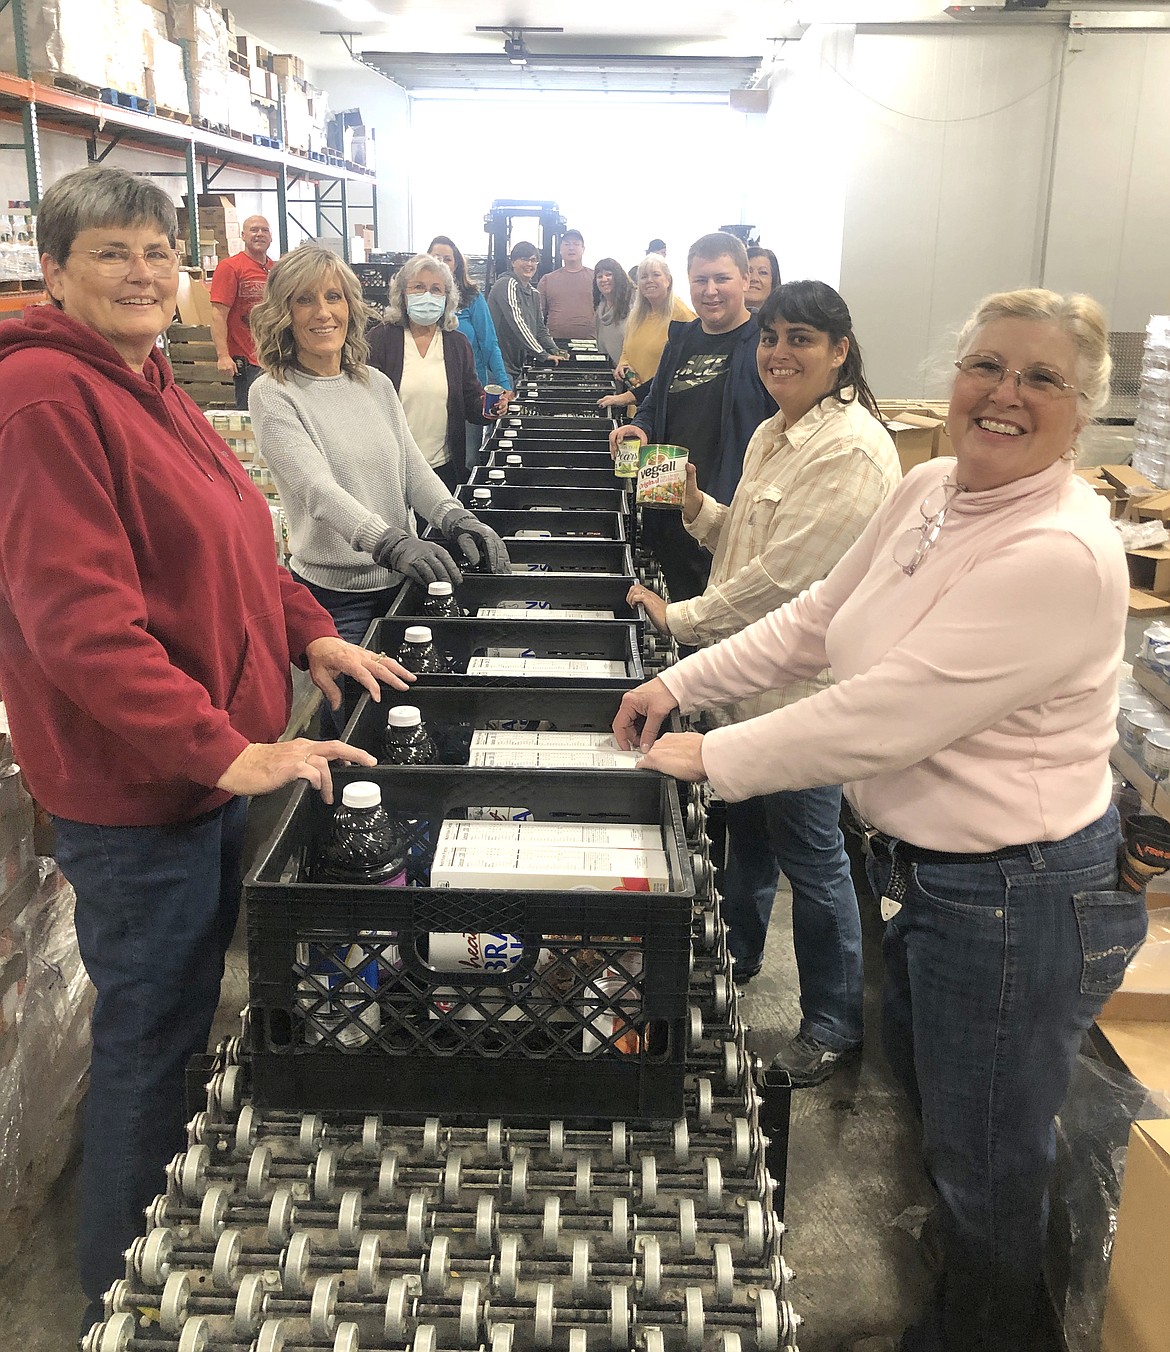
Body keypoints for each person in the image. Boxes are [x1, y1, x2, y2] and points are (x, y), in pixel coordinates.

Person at [613, 288, 1146, 1352]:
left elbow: (883, 713)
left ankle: (985, 1334)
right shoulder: (935, 488)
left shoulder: (1060, 551)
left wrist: (711, 753)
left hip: (1018, 894)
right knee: (954, 1133)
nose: (1003, 394)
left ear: (1084, 407)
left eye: (1040, 377)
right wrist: (683, 680)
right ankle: (964, 1305)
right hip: (936, 875)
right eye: (987, 366)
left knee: (986, 1163)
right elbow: (817, 621)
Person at [0, 166, 406, 1333]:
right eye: (111, 252)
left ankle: (166, 1235)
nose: (142, 272)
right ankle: (116, 1296)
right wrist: (224, 752)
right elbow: (78, 622)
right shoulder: (43, 400)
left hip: (202, 771)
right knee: (152, 1036)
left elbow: (240, 541)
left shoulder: (147, 383)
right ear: (54, 267)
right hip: (140, 793)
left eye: (156, 250)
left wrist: (313, 638)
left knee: (180, 1020)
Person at [627, 281, 901, 1083]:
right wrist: (696, 505)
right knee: (747, 835)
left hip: (801, 692)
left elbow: (788, 583)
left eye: (802, 340)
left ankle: (833, 1021)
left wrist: (681, 621)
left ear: (840, 351)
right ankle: (736, 955)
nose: (779, 353)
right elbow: (745, 544)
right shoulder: (777, 435)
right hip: (747, 681)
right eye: (771, 337)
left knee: (813, 860)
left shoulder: (851, 449)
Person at [249, 244, 510, 735]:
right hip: (335, 598)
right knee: (355, 723)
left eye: (333, 297)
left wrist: (456, 517)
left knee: (416, 716)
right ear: (283, 313)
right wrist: (390, 541)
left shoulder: (372, 383)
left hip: (399, 583)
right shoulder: (274, 393)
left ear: (351, 304)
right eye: (305, 300)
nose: (323, 312)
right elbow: (318, 491)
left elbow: (411, 469)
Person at [609, 232, 776, 605]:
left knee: (725, 632)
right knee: (686, 620)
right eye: (701, 280)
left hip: (727, 520)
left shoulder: (765, 346)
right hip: (669, 511)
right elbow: (655, 401)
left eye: (722, 278)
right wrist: (640, 426)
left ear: (745, 280)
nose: (710, 290)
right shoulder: (681, 340)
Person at [367, 254, 505, 492]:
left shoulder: (457, 344)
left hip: (442, 468)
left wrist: (491, 408)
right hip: (391, 469)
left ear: (447, 298)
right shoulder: (380, 340)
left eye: (436, 289)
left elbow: (471, 401)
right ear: (402, 294)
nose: (427, 295)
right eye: (418, 287)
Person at [428, 234, 511, 472]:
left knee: (467, 460)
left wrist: (504, 384)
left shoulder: (472, 298)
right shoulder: (420, 303)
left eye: (447, 259)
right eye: (436, 258)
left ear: (457, 264)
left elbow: (489, 343)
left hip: (468, 394)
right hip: (431, 394)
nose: (442, 263)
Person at [599, 255, 695, 411]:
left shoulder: (681, 316)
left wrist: (626, 397)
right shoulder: (636, 315)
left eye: (656, 274)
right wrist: (623, 363)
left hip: (667, 408)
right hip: (638, 407)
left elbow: (679, 371)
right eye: (644, 277)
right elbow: (626, 349)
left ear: (668, 280)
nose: (649, 280)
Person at [209, 213, 273, 407]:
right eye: (254, 230)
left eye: (264, 230)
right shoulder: (230, 267)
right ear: (243, 235)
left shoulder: (275, 269)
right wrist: (223, 355)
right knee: (250, 414)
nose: (259, 234)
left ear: (271, 237)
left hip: (272, 358)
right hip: (246, 361)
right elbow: (218, 314)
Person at [488, 241, 564, 384]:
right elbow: (517, 323)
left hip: (517, 368)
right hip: (498, 367)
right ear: (513, 262)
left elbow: (541, 330)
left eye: (533, 260)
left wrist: (556, 351)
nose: (529, 264)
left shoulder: (534, 294)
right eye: (524, 259)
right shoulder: (506, 284)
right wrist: (542, 354)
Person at [538, 227, 595, 341]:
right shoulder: (547, 280)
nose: (571, 248)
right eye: (567, 244)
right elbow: (538, 316)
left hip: (591, 344)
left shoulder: (596, 277)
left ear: (583, 249)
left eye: (576, 244)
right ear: (560, 249)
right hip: (556, 346)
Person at [592, 257, 634, 365]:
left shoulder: (634, 303)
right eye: (599, 276)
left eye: (608, 274)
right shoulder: (600, 310)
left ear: (618, 277)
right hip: (613, 373)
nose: (604, 279)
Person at [746, 246, 780, 312]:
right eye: (748, 271)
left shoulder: (784, 320)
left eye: (763, 272)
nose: (754, 278)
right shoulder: (721, 319)